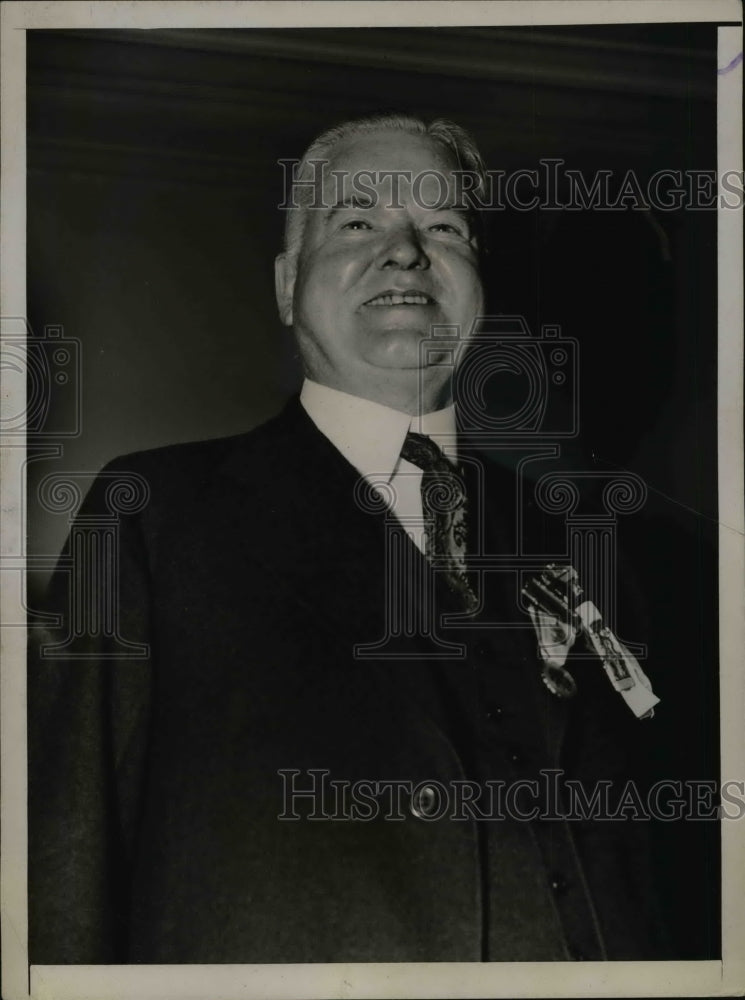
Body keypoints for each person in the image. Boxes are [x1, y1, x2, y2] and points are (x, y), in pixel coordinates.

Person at [28, 113, 666, 964]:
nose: (405, 251)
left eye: (443, 226)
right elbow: (62, 869)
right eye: (357, 220)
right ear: (289, 284)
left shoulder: (584, 537)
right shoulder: (151, 513)